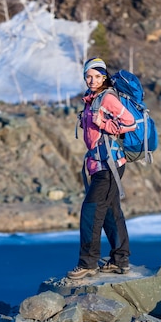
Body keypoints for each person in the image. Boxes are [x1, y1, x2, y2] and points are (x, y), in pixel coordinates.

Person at [67, 57, 136, 280]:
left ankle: (88, 263)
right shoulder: (92, 99)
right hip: (100, 164)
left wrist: (102, 123)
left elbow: (130, 122)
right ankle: (120, 260)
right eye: (89, 76)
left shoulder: (107, 98)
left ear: (104, 77)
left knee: (90, 212)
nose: (92, 80)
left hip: (109, 165)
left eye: (97, 76)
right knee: (110, 212)